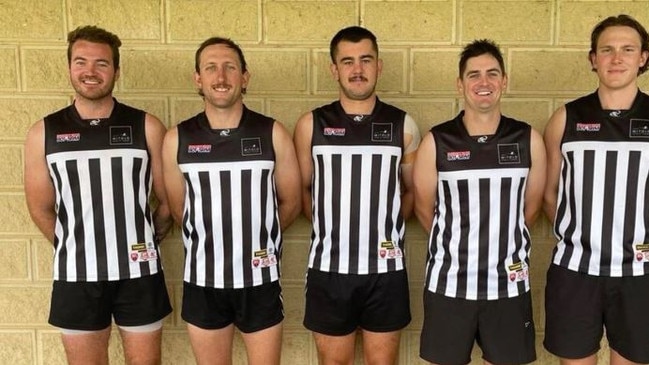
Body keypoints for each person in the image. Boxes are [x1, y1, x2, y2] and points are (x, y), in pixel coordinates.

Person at [23, 25, 172, 364]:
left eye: (102, 63)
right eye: (81, 62)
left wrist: (146, 238)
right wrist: (76, 245)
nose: (90, 71)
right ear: (70, 67)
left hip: (139, 275)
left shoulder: (146, 126)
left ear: (116, 71)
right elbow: (40, 207)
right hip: (76, 276)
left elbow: (167, 203)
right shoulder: (43, 133)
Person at [161, 36, 301, 365]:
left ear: (245, 76)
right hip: (203, 281)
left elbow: (291, 203)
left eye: (229, 68)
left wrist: (257, 237)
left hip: (260, 280)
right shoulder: (177, 139)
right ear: (198, 78)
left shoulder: (272, 133)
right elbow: (182, 210)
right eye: (211, 68)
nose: (220, 77)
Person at [413, 39, 546, 365]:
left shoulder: (528, 139)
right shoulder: (437, 141)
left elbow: (530, 209)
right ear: (460, 84)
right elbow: (423, 208)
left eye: (492, 73)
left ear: (504, 81)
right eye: (473, 75)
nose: (483, 82)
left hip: (508, 286)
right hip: (449, 285)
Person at [293, 26, 421, 365]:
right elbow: (303, 190)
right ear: (334, 69)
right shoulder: (311, 124)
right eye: (347, 61)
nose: (357, 69)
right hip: (329, 269)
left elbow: (410, 192)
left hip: (386, 271)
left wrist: (385, 229)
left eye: (366, 59)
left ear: (379, 66)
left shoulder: (403, 124)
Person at [543, 14, 649, 365]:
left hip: (640, 275)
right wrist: (579, 237)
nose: (616, 58)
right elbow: (549, 191)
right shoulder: (566, 118)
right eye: (607, 50)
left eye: (627, 49)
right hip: (576, 272)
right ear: (593, 59)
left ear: (643, 58)